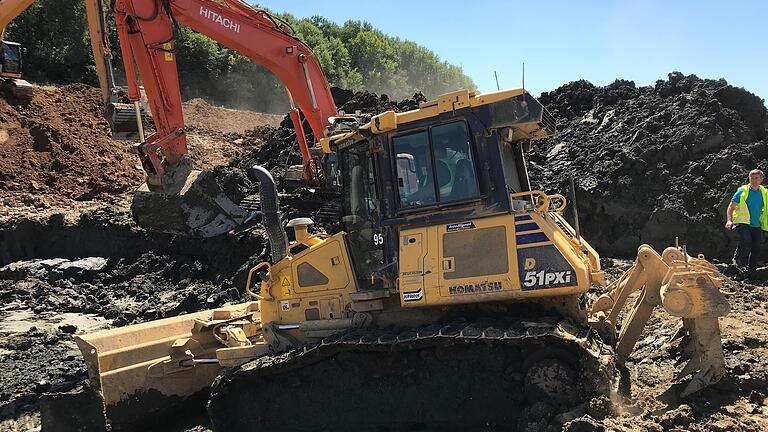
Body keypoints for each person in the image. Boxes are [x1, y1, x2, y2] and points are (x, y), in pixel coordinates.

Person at [725, 169, 768, 272]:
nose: (754, 180)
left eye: (756, 178)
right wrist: (729, 220)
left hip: (756, 224)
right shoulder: (742, 191)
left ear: (761, 179)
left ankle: (751, 269)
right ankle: (737, 259)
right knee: (746, 239)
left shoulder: (764, 192)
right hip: (742, 221)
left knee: (756, 246)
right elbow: (731, 206)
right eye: (751, 178)